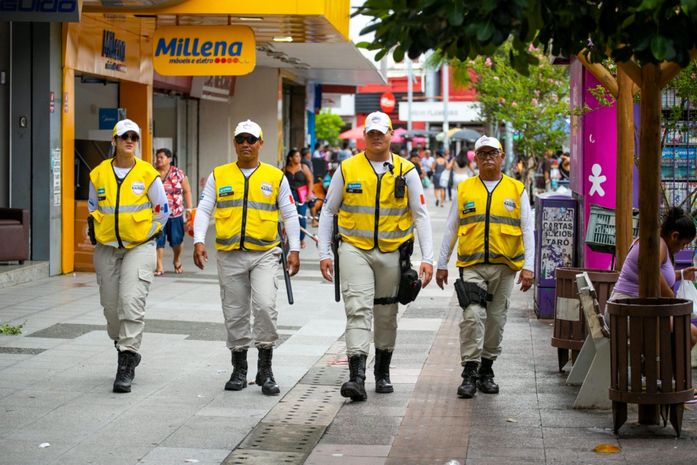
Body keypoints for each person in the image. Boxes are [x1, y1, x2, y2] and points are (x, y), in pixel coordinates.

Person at [318, 111, 434, 401]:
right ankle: (356, 377)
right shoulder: (347, 169)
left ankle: (382, 372)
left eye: (381, 132)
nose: (376, 137)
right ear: (364, 136)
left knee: (386, 313)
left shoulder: (407, 171)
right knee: (358, 309)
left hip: (393, 252)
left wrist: (428, 258)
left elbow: (421, 215)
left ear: (391, 134)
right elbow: (328, 211)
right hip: (354, 249)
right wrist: (323, 253)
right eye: (371, 133)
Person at [193, 120, 301, 396]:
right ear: (234, 143)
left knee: (265, 306)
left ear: (260, 144)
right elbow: (204, 209)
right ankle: (239, 368)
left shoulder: (276, 177)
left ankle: (265, 369)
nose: (245, 144)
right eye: (240, 139)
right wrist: (198, 240)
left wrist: (296, 250)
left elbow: (289, 214)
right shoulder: (220, 175)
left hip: (265, 253)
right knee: (235, 312)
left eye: (251, 140)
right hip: (229, 255)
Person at [436, 135, 535, 399]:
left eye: (493, 153)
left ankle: (486, 370)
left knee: (495, 320)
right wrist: (441, 264)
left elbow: (528, 229)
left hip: (505, 268)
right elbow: (451, 228)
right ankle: (469, 372)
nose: (488, 158)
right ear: (476, 159)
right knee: (473, 316)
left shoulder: (516, 189)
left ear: (502, 157)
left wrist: (529, 267)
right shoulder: (465, 189)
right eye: (483, 154)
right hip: (472, 265)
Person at [88, 119, 169, 393]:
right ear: (115, 141)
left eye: (134, 136)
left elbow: (163, 210)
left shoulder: (148, 174)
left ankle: (126, 360)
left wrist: (149, 233)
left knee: (131, 302)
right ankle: (124, 344)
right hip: (107, 247)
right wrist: (94, 229)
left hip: (140, 247)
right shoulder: (98, 174)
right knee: (111, 310)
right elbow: (92, 207)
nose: (130, 140)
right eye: (124, 136)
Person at [607, 207, 697, 347]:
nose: (683, 248)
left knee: (689, 332)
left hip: (629, 311)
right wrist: (673, 300)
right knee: (689, 333)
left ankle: (663, 367)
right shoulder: (657, 245)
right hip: (627, 314)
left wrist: (681, 275)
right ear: (674, 236)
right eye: (684, 243)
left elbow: (658, 274)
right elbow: (652, 271)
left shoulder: (656, 242)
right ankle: (662, 368)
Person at [154, 148, 193, 275]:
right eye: (157, 157)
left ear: (169, 159)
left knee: (177, 240)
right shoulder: (152, 173)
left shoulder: (178, 174)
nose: (158, 159)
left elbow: (187, 191)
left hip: (175, 213)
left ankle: (176, 259)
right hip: (157, 215)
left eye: (161, 157)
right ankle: (159, 266)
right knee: (158, 240)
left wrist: (189, 209)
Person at [284, 147, 314, 249]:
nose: (299, 158)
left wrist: (309, 193)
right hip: (288, 197)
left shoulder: (303, 167)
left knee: (301, 219)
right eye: (296, 156)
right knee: (289, 218)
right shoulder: (284, 168)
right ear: (291, 158)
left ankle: (301, 240)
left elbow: (310, 180)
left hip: (301, 196)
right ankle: (289, 240)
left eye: (299, 156)